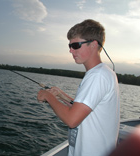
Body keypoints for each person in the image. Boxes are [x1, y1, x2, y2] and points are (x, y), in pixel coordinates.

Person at [37, 19, 120, 156]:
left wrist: (48, 96)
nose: (70, 50)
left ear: (93, 44)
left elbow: (72, 120)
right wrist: (62, 96)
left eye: (75, 45)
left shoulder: (97, 76)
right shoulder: (103, 73)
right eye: (69, 46)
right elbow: (88, 110)